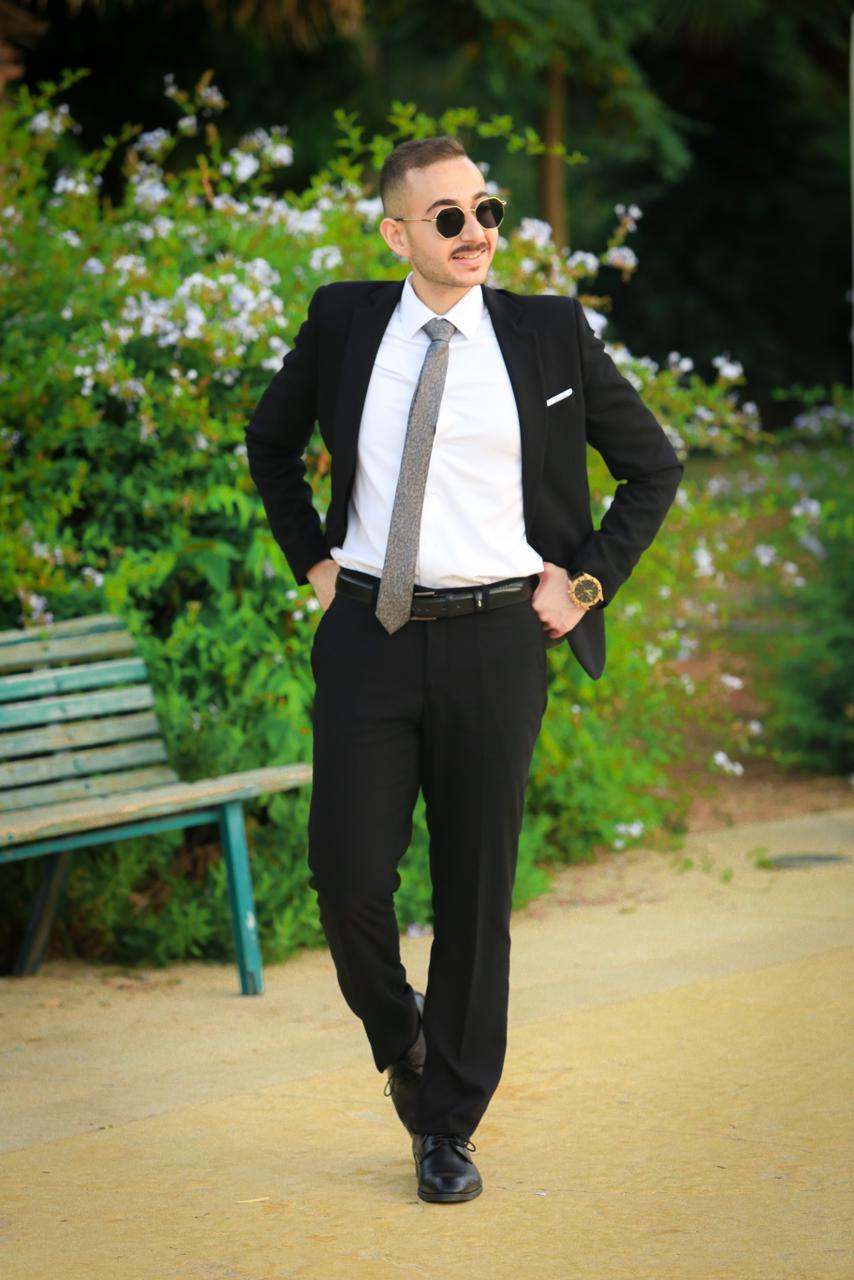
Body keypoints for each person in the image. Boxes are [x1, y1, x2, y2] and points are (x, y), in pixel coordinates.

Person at [245, 135, 683, 1205]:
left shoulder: (547, 332)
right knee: (347, 874)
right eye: (447, 216)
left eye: (484, 207)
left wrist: (584, 584)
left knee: (475, 890)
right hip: (369, 634)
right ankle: (402, 1034)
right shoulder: (344, 321)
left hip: (497, 641)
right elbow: (269, 442)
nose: (476, 230)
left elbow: (652, 466)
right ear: (397, 233)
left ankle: (446, 1124)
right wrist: (312, 559)